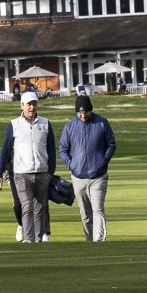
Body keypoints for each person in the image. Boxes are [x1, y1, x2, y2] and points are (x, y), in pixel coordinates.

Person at [0, 91, 55, 242]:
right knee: (27, 206)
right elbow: (5, 150)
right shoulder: (14, 125)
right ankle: (29, 239)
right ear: (21, 106)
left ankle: (38, 239)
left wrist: (50, 172)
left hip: (42, 173)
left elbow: (51, 150)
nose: (32, 107)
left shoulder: (45, 123)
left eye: (34, 104)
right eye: (29, 104)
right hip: (21, 173)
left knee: (39, 209)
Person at [59, 93, 116, 242]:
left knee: (98, 209)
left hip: (98, 176)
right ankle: (90, 241)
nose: (83, 115)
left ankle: (99, 241)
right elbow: (63, 149)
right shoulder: (70, 126)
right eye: (80, 112)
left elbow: (111, 144)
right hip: (78, 177)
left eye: (85, 112)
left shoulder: (102, 123)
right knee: (85, 214)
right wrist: (72, 165)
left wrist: (103, 161)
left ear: (91, 109)